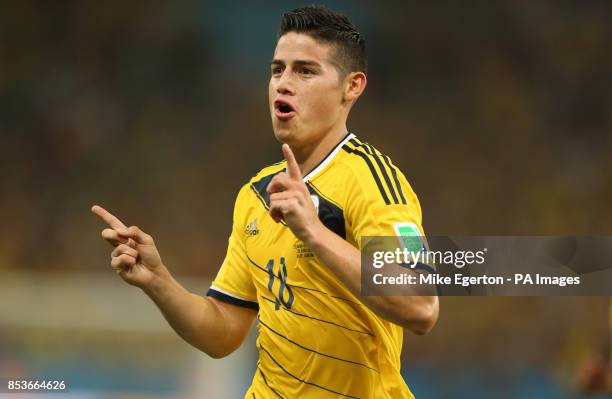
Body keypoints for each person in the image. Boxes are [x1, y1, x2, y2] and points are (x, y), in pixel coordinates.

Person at [92, 5, 438, 398]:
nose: (283, 84)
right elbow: (223, 331)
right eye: (277, 70)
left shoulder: (372, 182)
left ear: (352, 86)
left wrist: (314, 233)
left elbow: (421, 306)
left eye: (305, 71)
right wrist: (158, 282)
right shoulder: (257, 194)